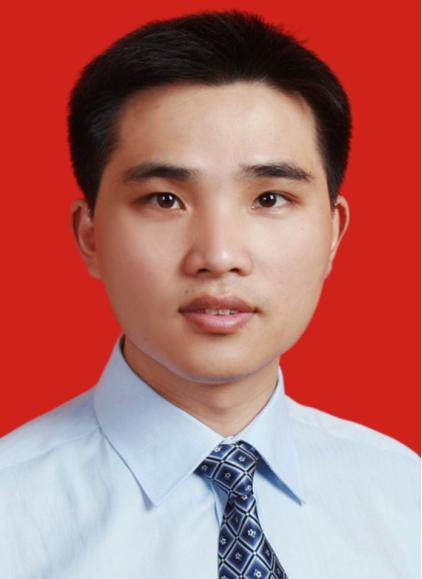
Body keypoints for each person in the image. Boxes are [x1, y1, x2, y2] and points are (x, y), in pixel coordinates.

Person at [0, 9, 419, 579]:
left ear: (333, 234)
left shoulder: (404, 496)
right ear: (90, 236)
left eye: (270, 198)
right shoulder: (13, 515)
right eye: (164, 200)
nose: (218, 256)